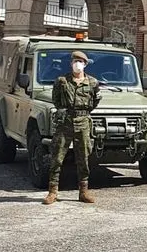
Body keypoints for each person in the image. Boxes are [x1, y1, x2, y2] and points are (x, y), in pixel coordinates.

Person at [43, 50, 102, 205]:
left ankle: (83, 191)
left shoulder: (92, 82)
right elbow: (56, 99)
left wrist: (83, 112)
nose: (77, 64)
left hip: (83, 122)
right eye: (75, 61)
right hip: (65, 122)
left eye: (80, 62)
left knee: (83, 157)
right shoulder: (62, 81)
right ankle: (52, 191)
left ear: (85, 64)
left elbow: (95, 101)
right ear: (71, 64)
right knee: (57, 157)